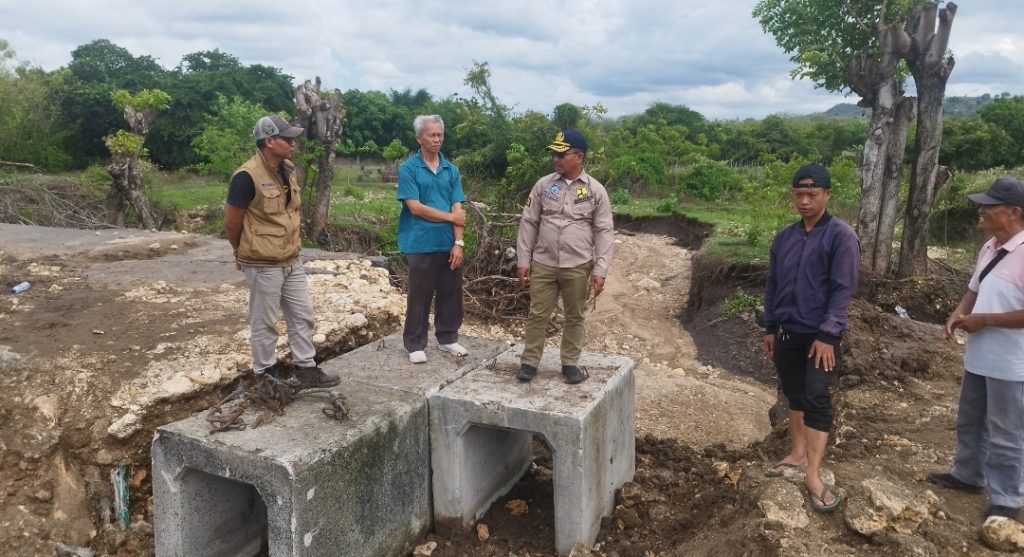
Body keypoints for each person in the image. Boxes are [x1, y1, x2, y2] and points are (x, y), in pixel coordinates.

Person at [761, 164, 859, 513]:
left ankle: (814, 474)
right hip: (787, 330)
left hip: (820, 335)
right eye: (799, 194)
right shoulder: (785, 237)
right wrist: (770, 327)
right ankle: (797, 453)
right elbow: (773, 284)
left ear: (827, 195)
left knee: (817, 396)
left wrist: (829, 334)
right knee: (794, 393)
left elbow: (842, 288)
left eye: (812, 195)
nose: (804, 201)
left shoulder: (840, 236)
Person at [928, 177, 1024, 525]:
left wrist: (985, 320)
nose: (981, 211)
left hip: (1013, 363)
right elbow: (974, 288)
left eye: (989, 206)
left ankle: (1007, 499)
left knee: (1007, 431)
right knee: (970, 420)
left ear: (1014, 212)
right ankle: (967, 474)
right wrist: (958, 314)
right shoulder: (990, 247)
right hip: (980, 357)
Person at [223, 115, 339, 389]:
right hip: (262, 262)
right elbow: (231, 221)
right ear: (269, 140)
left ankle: (306, 369)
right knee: (264, 322)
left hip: (291, 258)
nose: (294, 143)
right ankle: (266, 373)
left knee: (303, 314)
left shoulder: (287, 169)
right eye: (287, 139)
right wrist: (239, 250)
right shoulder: (246, 176)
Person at [516, 129, 614, 384]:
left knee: (575, 315)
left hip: (578, 265)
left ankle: (570, 363)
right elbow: (529, 223)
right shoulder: (543, 185)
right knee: (538, 313)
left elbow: (604, 231)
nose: (556, 159)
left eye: (562, 154)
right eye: (554, 154)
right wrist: (523, 260)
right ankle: (529, 362)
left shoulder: (596, 191)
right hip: (544, 262)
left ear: (579, 157)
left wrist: (600, 270)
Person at [397, 114, 468, 364]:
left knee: (451, 291)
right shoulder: (408, 169)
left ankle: (448, 337)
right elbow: (415, 207)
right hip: (420, 241)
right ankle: (415, 342)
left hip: (447, 241)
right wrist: (451, 218)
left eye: (440, 135)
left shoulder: (452, 170)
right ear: (419, 138)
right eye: (432, 135)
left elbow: (458, 209)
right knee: (420, 293)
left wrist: (458, 243)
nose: (437, 140)